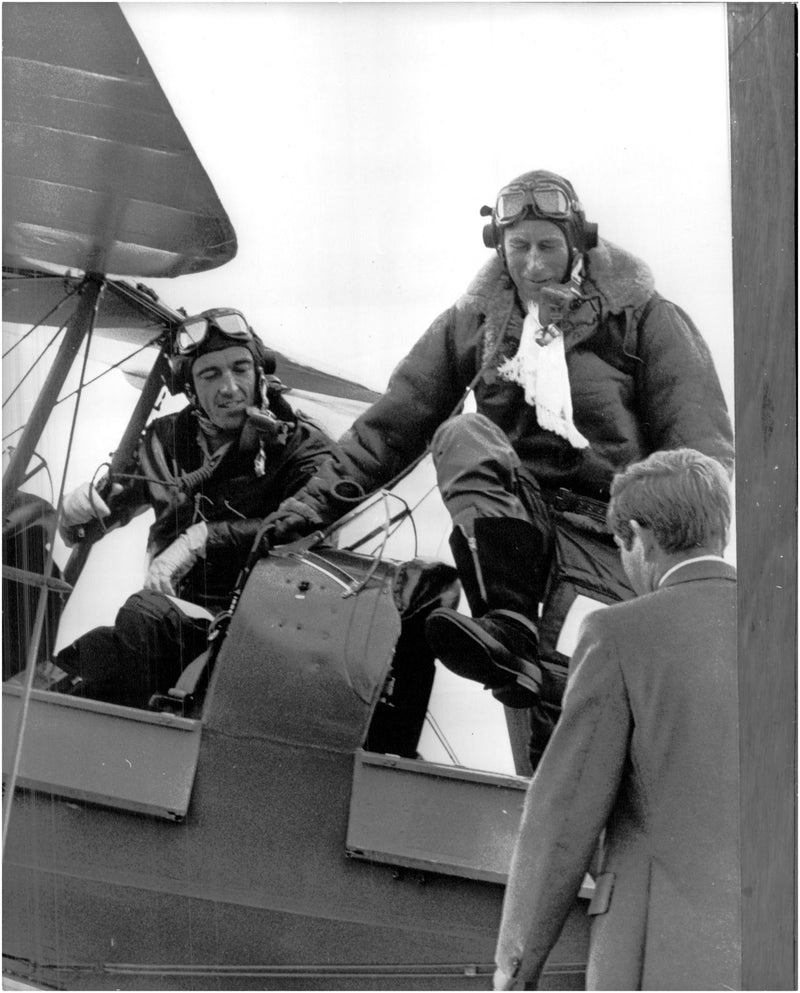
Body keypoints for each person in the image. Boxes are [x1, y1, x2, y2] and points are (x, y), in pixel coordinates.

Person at [266, 169, 734, 766]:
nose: (534, 265)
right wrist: (308, 507)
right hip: (517, 531)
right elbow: (396, 419)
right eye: (520, 248)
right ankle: (507, 624)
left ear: (578, 246)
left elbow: (700, 453)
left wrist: (679, 574)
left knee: (572, 720)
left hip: (608, 536)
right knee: (461, 435)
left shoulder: (641, 317)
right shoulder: (478, 319)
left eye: (548, 247)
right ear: (500, 249)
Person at [492, 448, 739, 991]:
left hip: (657, 959)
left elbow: (563, 818)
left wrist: (515, 967)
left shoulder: (619, 634)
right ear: (720, 529)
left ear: (636, 536)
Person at [50, 308, 337, 707]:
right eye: (210, 374)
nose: (230, 387)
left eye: (240, 369)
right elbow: (99, 515)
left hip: (254, 630)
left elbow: (316, 524)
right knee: (90, 656)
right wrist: (72, 514)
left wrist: (204, 537)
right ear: (189, 385)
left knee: (143, 620)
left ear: (259, 374)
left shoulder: (303, 446)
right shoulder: (164, 439)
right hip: (164, 627)